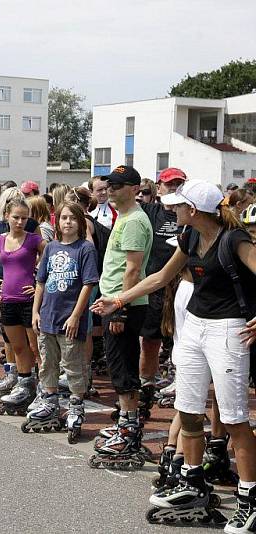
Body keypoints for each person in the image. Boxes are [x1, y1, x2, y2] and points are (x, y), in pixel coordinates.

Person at [92, 180, 256, 530]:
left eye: (178, 205)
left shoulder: (234, 239)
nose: (171, 209)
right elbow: (161, 277)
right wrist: (119, 300)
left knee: (234, 419)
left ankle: (250, 499)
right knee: (190, 410)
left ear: (194, 211)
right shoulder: (190, 236)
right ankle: (193, 482)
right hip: (195, 326)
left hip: (228, 329)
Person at [89, 165, 153, 468]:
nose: (110, 190)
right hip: (113, 302)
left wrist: (121, 309)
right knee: (118, 368)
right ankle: (126, 424)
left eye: (117, 185)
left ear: (133, 188)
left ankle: (129, 430)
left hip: (123, 306)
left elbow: (132, 269)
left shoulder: (134, 221)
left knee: (123, 370)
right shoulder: (124, 217)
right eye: (108, 185)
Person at [28, 202, 98, 441]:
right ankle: (49, 401)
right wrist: (36, 311)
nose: (67, 222)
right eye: (63, 218)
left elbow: (89, 283)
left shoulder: (85, 249)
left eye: (72, 218)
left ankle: (76, 405)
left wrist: (77, 315)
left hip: (69, 318)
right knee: (48, 363)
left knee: (72, 365)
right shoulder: (50, 248)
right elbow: (40, 282)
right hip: (47, 316)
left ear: (80, 222)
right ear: (57, 221)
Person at [0, 199, 46, 414]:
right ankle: (25, 384)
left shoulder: (34, 240)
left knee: (36, 347)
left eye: (24, 218)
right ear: (7, 217)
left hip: (29, 301)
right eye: (16, 217)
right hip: (8, 301)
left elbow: (51, 256)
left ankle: (44, 388)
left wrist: (39, 281)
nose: (20, 222)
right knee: (17, 347)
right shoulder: (0, 240)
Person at [138, 167, 186, 412]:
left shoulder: (189, 215)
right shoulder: (149, 211)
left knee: (183, 339)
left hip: (182, 287)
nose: (174, 188)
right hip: (154, 286)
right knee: (150, 339)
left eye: (179, 184)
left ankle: (180, 380)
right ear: (159, 187)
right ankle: (146, 384)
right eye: (169, 184)